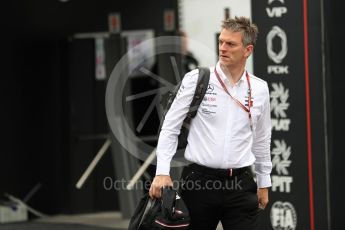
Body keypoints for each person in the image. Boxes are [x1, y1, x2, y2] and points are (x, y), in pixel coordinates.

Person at [149, 16, 272, 230]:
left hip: (241, 184)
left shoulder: (260, 89)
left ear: (248, 50)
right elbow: (170, 127)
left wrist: (264, 182)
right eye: (221, 42)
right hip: (199, 182)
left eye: (231, 44)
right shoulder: (196, 79)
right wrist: (162, 172)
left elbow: (262, 139)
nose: (223, 48)